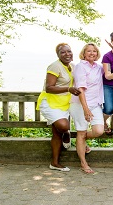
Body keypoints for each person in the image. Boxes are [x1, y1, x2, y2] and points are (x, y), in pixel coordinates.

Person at [36, 43, 81, 172]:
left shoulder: (72, 66)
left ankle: (54, 163)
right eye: (63, 52)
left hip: (64, 103)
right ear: (58, 55)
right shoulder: (54, 66)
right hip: (50, 102)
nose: (67, 54)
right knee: (63, 126)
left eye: (69, 51)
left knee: (56, 133)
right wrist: (68, 89)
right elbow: (49, 88)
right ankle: (67, 133)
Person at [69, 43, 105, 174]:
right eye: (89, 51)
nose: (92, 53)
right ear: (84, 53)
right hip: (80, 104)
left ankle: (82, 142)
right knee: (81, 132)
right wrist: (85, 109)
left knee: (98, 130)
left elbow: (112, 70)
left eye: (94, 51)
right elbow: (80, 89)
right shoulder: (80, 67)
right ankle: (83, 164)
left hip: (95, 104)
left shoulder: (99, 67)